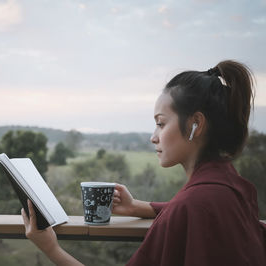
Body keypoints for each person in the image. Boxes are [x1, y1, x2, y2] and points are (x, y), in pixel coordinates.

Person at [21, 60, 266, 265]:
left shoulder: (194, 204)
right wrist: (140, 208)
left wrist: (51, 248)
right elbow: (196, 211)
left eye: (161, 123)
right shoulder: (235, 187)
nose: (153, 137)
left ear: (196, 124)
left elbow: (190, 210)